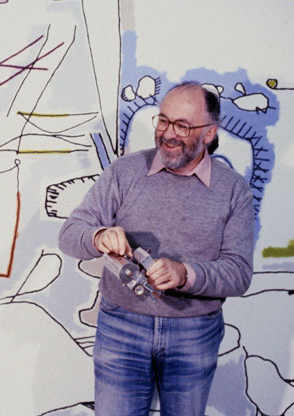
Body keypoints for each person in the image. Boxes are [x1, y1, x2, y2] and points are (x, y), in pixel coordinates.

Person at [58, 81, 254, 415]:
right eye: (163, 120)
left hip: (195, 332)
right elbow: (69, 233)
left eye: (183, 125)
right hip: (121, 326)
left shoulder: (233, 189)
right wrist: (99, 236)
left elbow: (238, 274)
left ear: (209, 133)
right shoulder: (124, 172)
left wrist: (186, 274)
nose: (168, 133)